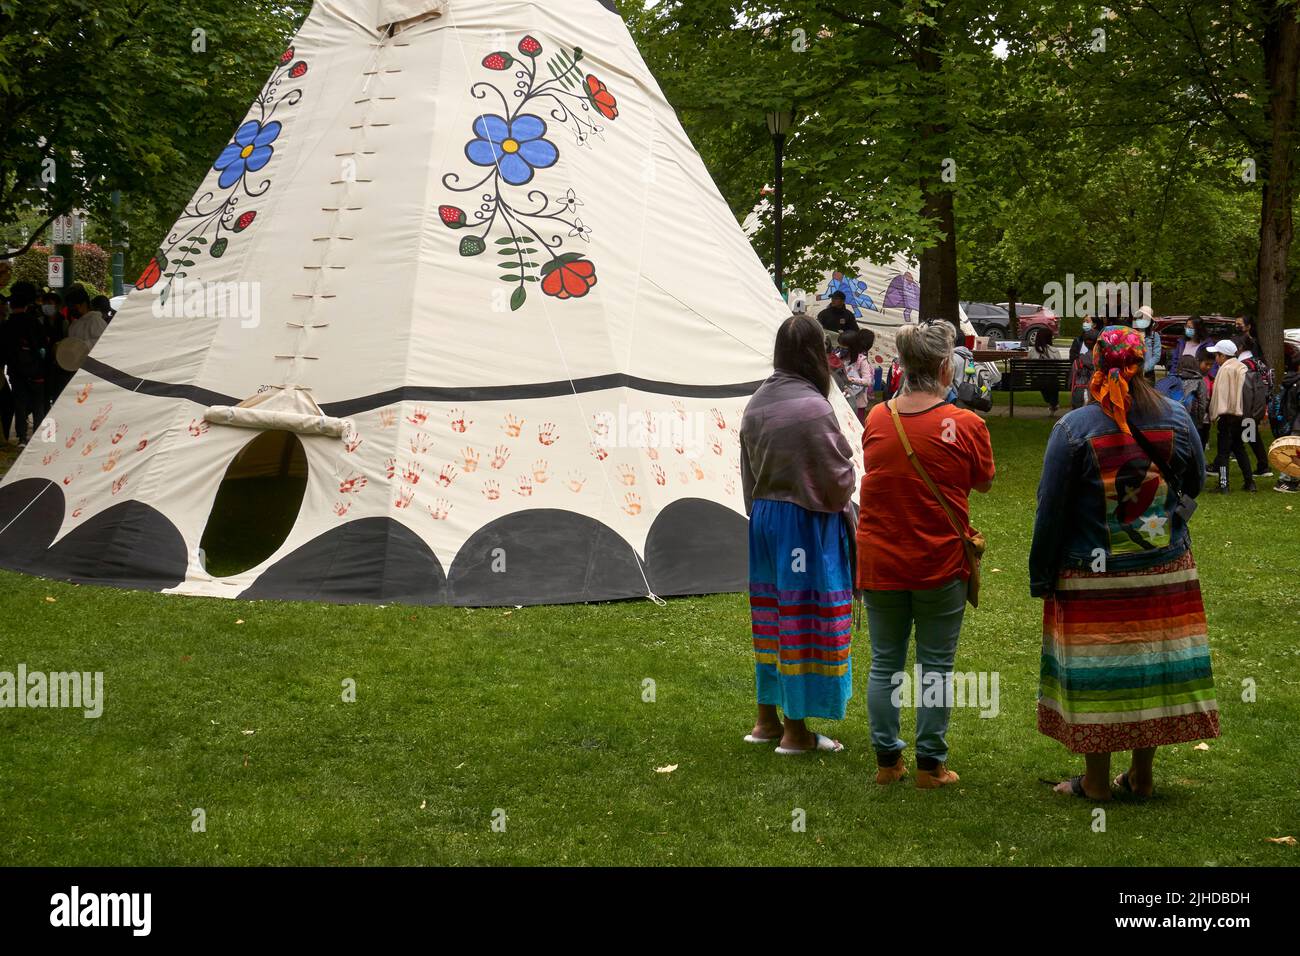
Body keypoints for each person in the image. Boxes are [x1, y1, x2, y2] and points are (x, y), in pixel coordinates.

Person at [1030, 325, 1218, 800]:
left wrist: (1042, 575)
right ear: (1146, 365)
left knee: (1099, 672)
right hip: (1163, 566)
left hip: (1093, 574)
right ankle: (1142, 776)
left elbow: (1050, 508)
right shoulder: (1176, 417)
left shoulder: (1074, 428)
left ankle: (1095, 783)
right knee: (1151, 668)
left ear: (1096, 365)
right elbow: (1194, 480)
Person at [856, 321, 995, 788]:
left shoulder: (876, 418)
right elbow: (984, 480)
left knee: (884, 662)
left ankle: (886, 761)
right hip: (939, 563)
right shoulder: (968, 424)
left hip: (880, 560)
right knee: (935, 666)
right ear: (943, 367)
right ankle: (930, 765)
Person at [740, 314, 857, 754]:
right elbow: (838, 478)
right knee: (801, 620)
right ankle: (795, 732)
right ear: (815, 355)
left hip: (765, 520)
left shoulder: (756, 403)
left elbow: (748, 474)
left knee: (772, 616)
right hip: (803, 524)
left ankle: (766, 720)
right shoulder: (813, 407)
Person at [1, 281, 51, 446]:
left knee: (19, 403)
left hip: (15, 371)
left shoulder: (6, 325)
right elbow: (43, 344)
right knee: (39, 403)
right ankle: (41, 437)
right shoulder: (34, 321)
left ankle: (22, 437)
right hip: (36, 369)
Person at [1206, 339, 1255, 492]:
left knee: (1223, 452)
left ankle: (1223, 484)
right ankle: (1250, 482)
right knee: (1239, 448)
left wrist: (1214, 415)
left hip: (1228, 416)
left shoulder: (1225, 369)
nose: (1215, 358)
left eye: (1217, 355)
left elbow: (1220, 396)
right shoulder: (1242, 367)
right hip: (1243, 416)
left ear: (1222, 356)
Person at [1235, 337, 1273, 478]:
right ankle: (1263, 466)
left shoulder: (1244, 365)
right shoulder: (1256, 361)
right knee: (1250, 436)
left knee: (1238, 439)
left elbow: (1246, 390)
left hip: (1247, 408)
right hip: (1256, 407)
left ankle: (1261, 467)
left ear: (1240, 347)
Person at [840, 328, 876, 424]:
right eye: (840, 346)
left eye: (844, 347)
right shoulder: (838, 357)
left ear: (852, 347)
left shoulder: (862, 361)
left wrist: (850, 380)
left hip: (858, 402)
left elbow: (868, 381)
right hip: (842, 400)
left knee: (856, 424)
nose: (841, 349)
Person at [1068, 317, 1099, 409]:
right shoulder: (1101, 360)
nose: (1085, 323)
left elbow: (1071, 380)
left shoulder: (1078, 361)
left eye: (1087, 321)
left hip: (1080, 390)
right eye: (1084, 321)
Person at [65, 284, 107, 351]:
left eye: (74, 307)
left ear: (84, 304)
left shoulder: (95, 320)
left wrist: (82, 345)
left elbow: (104, 343)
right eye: (69, 307)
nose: (72, 310)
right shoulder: (74, 324)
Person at [1028, 326, 1060, 415]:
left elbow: (1028, 367)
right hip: (1053, 382)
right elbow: (1059, 368)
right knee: (1052, 383)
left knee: (1045, 383)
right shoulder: (1054, 351)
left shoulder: (1033, 351)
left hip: (1037, 382)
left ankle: (1052, 403)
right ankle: (1053, 403)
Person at [1134, 305, 1160, 381]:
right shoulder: (1132, 334)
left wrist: (1144, 369)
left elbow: (1156, 356)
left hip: (1148, 374)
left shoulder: (1155, 336)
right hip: (1133, 373)